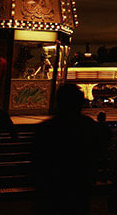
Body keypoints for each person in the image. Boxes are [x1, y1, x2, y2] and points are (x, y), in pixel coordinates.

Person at [33, 84, 99, 213]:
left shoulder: (45, 129)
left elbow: (37, 161)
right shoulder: (89, 126)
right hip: (79, 186)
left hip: (53, 188)